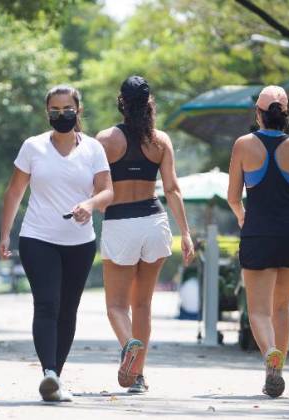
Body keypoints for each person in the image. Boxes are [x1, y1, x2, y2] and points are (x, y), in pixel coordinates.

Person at [0, 85, 113, 402]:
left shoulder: (92, 149)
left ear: (79, 110)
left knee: (68, 309)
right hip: (38, 237)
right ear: (47, 112)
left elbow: (107, 192)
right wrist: (5, 233)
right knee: (47, 303)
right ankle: (48, 371)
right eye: (55, 110)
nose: (61, 115)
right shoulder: (33, 147)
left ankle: (56, 378)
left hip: (80, 242)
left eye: (67, 109)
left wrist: (88, 205)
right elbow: (14, 192)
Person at [96, 76, 195, 394]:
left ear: (121, 102)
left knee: (115, 307)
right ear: (149, 103)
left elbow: (96, 189)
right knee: (142, 306)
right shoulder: (160, 141)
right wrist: (186, 234)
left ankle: (129, 345)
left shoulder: (106, 140)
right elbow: (172, 189)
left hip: (121, 223)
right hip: (155, 222)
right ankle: (137, 376)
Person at [227, 85, 289, 398]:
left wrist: (244, 218)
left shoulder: (243, 145)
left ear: (258, 113)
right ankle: (278, 368)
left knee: (258, 311)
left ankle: (270, 353)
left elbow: (233, 197)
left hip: (259, 234)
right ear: (285, 115)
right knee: (282, 307)